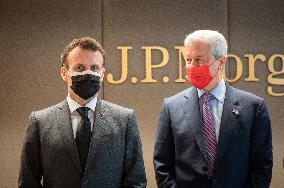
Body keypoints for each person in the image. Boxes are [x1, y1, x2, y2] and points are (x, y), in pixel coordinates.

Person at [19, 37, 147, 188]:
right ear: (64, 73)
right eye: (79, 67)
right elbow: (28, 182)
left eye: (94, 68)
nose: (88, 73)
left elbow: (136, 181)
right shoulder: (39, 122)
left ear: (102, 73)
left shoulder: (124, 119)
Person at [153, 30, 272, 188]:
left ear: (221, 62)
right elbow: (162, 166)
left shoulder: (253, 107)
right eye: (188, 60)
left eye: (199, 60)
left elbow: (262, 166)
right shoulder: (171, 106)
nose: (191, 66)